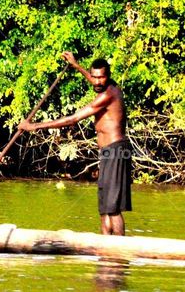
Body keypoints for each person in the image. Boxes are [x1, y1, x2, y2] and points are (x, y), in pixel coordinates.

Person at [18, 52, 131, 236]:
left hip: (116, 151)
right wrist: (76, 66)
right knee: (104, 207)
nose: (96, 81)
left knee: (112, 206)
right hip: (107, 153)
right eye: (94, 77)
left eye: (101, 77)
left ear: (108, 76)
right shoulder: (104, 87)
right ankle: (105, 247)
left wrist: (34, 126)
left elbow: (73, 119)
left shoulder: (108, 95)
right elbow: (95, 83)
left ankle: (119, 247)